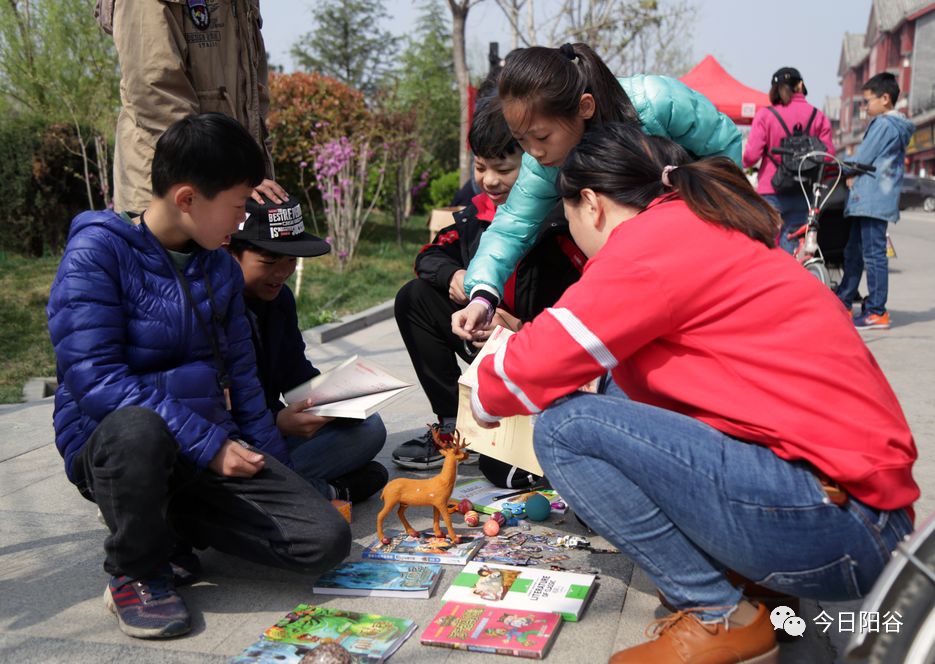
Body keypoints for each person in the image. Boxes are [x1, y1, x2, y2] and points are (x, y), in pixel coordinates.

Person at [469, 122, 918, 663]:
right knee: (614, 386)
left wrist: (484, 387)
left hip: (841, 529)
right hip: (855, 514)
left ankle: (718, 613)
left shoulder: (650, 245)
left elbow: (523, 372)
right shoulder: (698, 227)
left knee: (567, 429)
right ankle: (750, 588)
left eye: (567, 218)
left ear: (590, 203)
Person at [47, 114, 351, 640]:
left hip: (206, 443)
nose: (239, 223)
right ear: (188, 198)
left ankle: (167, 524)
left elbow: (244, 379)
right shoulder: (98, 253)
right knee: (138, 428)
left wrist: (279, 478)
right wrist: (210, 445)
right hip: (120, 446)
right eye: (236, 207)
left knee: (325, 539)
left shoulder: (218, 268)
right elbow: (95, 379)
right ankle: (135, 571)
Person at [452, 42, 743, 341]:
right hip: (638, 274)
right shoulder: (543, 164)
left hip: (700, 239)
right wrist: (483, 297)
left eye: (541, 136)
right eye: (521, 140)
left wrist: (716, 219)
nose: (534, 152)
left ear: (585, 107)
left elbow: (724, 147)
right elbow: (510, 228)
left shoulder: (655, 101)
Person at [392, 101, 585, 486]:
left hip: (540, 353)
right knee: (414, 297)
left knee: (504, 471)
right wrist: (456, 275)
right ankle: (453, 425)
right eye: (481, 168)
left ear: (535, 163)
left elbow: (586, 312)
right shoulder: (474, 215)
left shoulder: (563, 226)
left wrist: (518, 326)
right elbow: (430, 255)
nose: (490, 181)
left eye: (504, 169)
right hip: (485, 336)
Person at [227, 195, 388, 503]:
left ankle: (287, 492)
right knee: (235, 480)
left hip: (274, 432)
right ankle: (324, 492)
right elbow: (211, 412)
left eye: (291, 261)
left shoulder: (280, 301)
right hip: (233, 443)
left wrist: (335, 399)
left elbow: (294, 374)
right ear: (232, 252)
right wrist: (276, 421)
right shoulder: (215, 309)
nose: (282, 272)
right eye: (269, 261)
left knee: (370, 427)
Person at [106, 0, 286, 213]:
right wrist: (229, 177)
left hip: (228, 188)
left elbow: (254, 97)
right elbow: (156, 93)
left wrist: (249, 174)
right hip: (172, 193)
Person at [836, 72, 914, 330]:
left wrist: (845, 170)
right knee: (855, 251)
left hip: (872, 198)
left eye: (867, 101)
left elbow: (863, 158)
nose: (865, 107)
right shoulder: (894, 125)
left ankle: (876, 310)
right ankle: (845, 299)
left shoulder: (884, 125)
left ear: (885, 98)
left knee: (872, 254)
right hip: (871, 198)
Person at [742, 67, 835, 255]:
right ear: (800, 85)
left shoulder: (766, 115)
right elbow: (828, 157)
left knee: (767, 246)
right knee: (793, 246)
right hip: (803, 191)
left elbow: (750, 157)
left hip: (771, 191)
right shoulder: (818, 117)